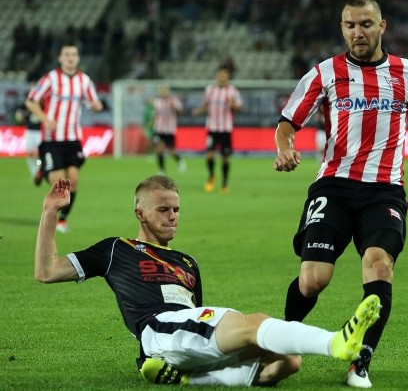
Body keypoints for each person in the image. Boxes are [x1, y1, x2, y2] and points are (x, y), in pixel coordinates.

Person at [34, 175, 382, 387]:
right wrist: (51, 212)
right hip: (159, 330)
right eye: (163, 210)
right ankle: (337, 343)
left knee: (288, 361)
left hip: (186, 335)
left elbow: (196, 314)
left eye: (177, 210)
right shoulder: (116, 249)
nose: (172, 217)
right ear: (139, 212)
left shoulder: (188, 262)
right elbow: (46, 271)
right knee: (258, 322)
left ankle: (186, 378)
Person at [273, 0, 408, 388]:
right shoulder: (324, 72)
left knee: (379, 264)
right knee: (314, 279)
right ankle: (279, 341)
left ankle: (360, 360)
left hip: (384, 191)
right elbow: (287, 123)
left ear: (382, 26)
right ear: (342, 28)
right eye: (350, 25)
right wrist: (284, 147)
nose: (357, 32)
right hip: (333, 186)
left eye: (365, 24)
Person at [25, 42, 103, 233]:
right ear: (60, 58)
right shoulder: (51, 79)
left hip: (73, 138)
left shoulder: (84, 80)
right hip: (52, 138)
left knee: (73, 180)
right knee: (58, 183)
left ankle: (62, 220)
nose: (70, 58)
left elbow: (95, 102)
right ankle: (44, 168)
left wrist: (96, 106)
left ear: (78, 58)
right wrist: (45, 119)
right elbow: (30, 101)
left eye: (74, 54)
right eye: (67, 54)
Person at [192, 66, 242, 193]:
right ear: (217, 75)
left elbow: (240, 108)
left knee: (225, 158)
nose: (222, 77)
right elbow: (206, 105)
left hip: (226, 129)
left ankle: (224, 182)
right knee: (209, 155)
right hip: (212, 128)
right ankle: (211, 175)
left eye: (224, 74)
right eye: (220, 74)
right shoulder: (210, 90)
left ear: (227, 76)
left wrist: (233, 105)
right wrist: (199, 111)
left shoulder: (233, 91)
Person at [151, 85, 186, 175]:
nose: (163, 92)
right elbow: (155, 114)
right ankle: (162, 170)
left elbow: (181, 112)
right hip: (159, 129)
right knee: (159, 149)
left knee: (171, 151)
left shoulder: (174, 100)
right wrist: (152, 124)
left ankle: (180, 161)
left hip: (170, 129)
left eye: (165, 90)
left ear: (168, 91)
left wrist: (175, 107)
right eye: (161, 90)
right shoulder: (157, 102)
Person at [13, 93, 43, 185]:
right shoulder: (26, 105)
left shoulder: (43, 105)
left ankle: (40, 170)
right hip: (29, 131)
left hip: (40, 131)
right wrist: (21, 117)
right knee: (30, 153)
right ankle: (35, 173)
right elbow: (18, 115)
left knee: (39, 153)